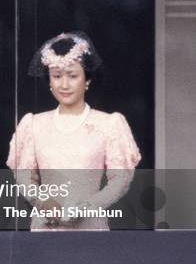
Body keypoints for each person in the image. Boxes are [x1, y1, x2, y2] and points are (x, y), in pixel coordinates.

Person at [7, 31, 141, 231]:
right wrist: (43, 202)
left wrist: (88, 206)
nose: (64, 84)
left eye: (72, 76)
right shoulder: (34, 124)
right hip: (46, 227)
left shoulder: (109, 124)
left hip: (89, 227)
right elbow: (25, 175)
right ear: (49, 81)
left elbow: (120, 179)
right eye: (57, 76)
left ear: (87, 79)